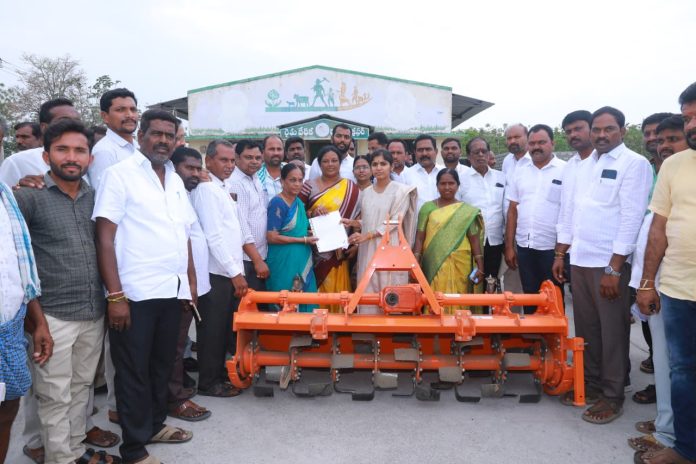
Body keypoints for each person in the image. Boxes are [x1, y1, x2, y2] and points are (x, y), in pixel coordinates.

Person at [14, 119, 121, 464]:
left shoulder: (97, 197)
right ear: (46, 156)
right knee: (54, 395)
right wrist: (36, 321)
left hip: (92, 312)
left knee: (81, 389)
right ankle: (61, 457)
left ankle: (75, 450)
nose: (72, 157)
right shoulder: (28, 197)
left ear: (90, 158)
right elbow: (17, 263)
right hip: (52, 316)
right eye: (62, 150)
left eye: (79, 150)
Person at [93, 109, 197, 464]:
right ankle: (134, 449)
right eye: (156, 133)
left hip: (172, 291)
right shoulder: (119, 175)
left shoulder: (175, 180)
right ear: (141, 137)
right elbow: (104, 238)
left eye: (169, 135)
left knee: (161, 367)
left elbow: (184, 234)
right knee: (133, 373)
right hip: (134, 295)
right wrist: (115, 296)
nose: (163, 141)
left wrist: (189, 285)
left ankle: (153, 425)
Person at [553, 106, 652, 424]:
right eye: (596, 129)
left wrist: (614, 267)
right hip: (580, 258)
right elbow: (570, 210)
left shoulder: (633, 164)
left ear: (623, 131)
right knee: (587, 328)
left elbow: (632, 217)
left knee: (612, 331)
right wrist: (561, 253)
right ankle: (592, 384)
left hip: (608, 264)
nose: (601, 135)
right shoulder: (584, 165)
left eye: (609, 129)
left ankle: (613, 395)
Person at [634, 82, 696, 464]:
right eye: (688, 118)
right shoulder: (673, 166)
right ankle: (685, 449)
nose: (691, 125)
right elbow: (658, 229)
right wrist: (646, 284)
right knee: (683, 372)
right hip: (677, 290)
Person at [0, 182, 52, 464]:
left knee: (7, 411)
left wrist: (39, 322)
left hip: (10, 327)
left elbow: (19, 269)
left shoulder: (6, 195)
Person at [190, 142, 247, 397]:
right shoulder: (206, 190)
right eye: (224, 160)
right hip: (216, 272)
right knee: (212, 331)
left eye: (232, 161)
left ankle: (221, 375)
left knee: (224, 329)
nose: (229, 165)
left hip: (228, 270)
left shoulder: (221, 187)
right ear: (209, 161)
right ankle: (208, 383)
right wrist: (235, 273)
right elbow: (213, 236)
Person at [168, 147, 211, 422]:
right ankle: (176, 399)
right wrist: (190, 284)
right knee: (173, 346)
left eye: (198, 168)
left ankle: (177, 392)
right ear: (174, 168)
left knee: (178, 343)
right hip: (177, 285)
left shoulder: (185, 194)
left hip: (189, 283)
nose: (195, 173)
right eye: (189, 168)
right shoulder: (172, 194)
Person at [345, 149, 417, 313]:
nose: (378, 168)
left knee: (389, 290)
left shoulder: (401, 191)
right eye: (375, 164)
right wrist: (354, 222)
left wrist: (367, 235)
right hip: (368, 248)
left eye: (383, 164)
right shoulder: (366, 192)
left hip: (390, 246)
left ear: (391, 166)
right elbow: (371, 220)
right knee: (368, 288)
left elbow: (394, 221)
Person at [505, 124, 566, 312]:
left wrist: (561, 253)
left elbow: (570, 212)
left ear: (553, 143)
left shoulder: (565, 170)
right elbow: (513, 210)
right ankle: (533, 330)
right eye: (532, 143)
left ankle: (553, 331)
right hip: (525, 247)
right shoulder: (520, 171)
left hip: (552, 250)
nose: (536, 147)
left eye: (541, 142)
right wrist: (509, 247)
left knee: (554, 299)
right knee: (530, 297)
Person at [413, 169, 484, 313]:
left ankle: (460, 323)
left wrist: (480, 265)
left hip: (461, 262)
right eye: (442, 183)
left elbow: (474, 238)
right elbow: (420, 237)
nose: (447, 187)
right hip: (434, 260)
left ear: (458, 185)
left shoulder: (466, 211)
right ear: (437, 185)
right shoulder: (427, 208)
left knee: (460, 296)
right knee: (435, 295)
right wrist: (416, 261)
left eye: (451, 183)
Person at [299, 145, 359, 309]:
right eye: (325, 161)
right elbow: (298, 213)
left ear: (340, 163)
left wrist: (355, 245)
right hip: (314, 250)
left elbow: (358, 217)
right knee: (316, 293)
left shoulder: (351, 187)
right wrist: (312, 213)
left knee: (339, 294)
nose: (330, 164)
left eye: (334, 160)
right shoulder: (309, 186)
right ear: (319, 164)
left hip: (340, 252)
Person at [266, 163, 319, 312]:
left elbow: (299, 229)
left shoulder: (299, 203)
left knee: (306, 297)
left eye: (300, 180)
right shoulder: (277, 203)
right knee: (284, 300)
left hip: (301, 258)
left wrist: (309, 234)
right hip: (283, 260)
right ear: (282, 181)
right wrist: (303, 240)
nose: (297, 184)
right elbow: (272, 237)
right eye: (292, 180)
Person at [0, 98, 80, 186]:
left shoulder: (86, 161)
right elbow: (5, 192)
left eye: (77, 121)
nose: (73, 126)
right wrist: (21, 190)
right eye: (64, 121)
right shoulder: (16, 162)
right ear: (44, 127)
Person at [458, 137, 505, 286]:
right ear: (468, 156)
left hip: (496, 241)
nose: (480, 155)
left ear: (489, 153)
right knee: (472, 283)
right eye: (476, 152)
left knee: (492, 282)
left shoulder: (501, 177)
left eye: (483, 151)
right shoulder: (460, 180)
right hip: (470, 242)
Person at [229, 140, 269, 297]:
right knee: (248, 304)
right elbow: (241, 226)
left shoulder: (255, 178)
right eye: (248, 157)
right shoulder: (236, 183)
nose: (254, 161)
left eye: (258, 158)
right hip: (247, 259)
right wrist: (257, 260)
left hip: (259, 255)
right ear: (237, 158)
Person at [88, 88, 139, 190]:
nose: (129, 115)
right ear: (105, 116)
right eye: (120, 110)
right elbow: (103, 194)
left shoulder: (138, 146)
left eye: (133, 109)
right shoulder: (104, 152)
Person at [402, 134, 444, 211]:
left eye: (428, 149)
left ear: (436, 151)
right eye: (420, 150)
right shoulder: (406, 174)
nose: (424, 153)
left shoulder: (445, 173)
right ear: (415, 152)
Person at [258, 135, 284, 204]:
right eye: (272, 149)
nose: (276, 153)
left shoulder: (292, 172)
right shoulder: (256, 176)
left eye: (279, 149)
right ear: (263, 152)